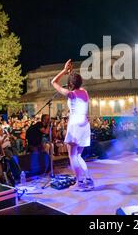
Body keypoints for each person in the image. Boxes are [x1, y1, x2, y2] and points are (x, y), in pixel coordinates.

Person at [51, 59, 94, 191]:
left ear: (70, 84)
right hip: (84, 125)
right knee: (78, 155)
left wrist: (64, 71)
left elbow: (53, 82)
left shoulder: (71, 94)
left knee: (72, 155)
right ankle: (88, 179)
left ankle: (80, 183)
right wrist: (71, 73)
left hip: (75, 125)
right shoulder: (84, 92)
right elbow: (75, 80)